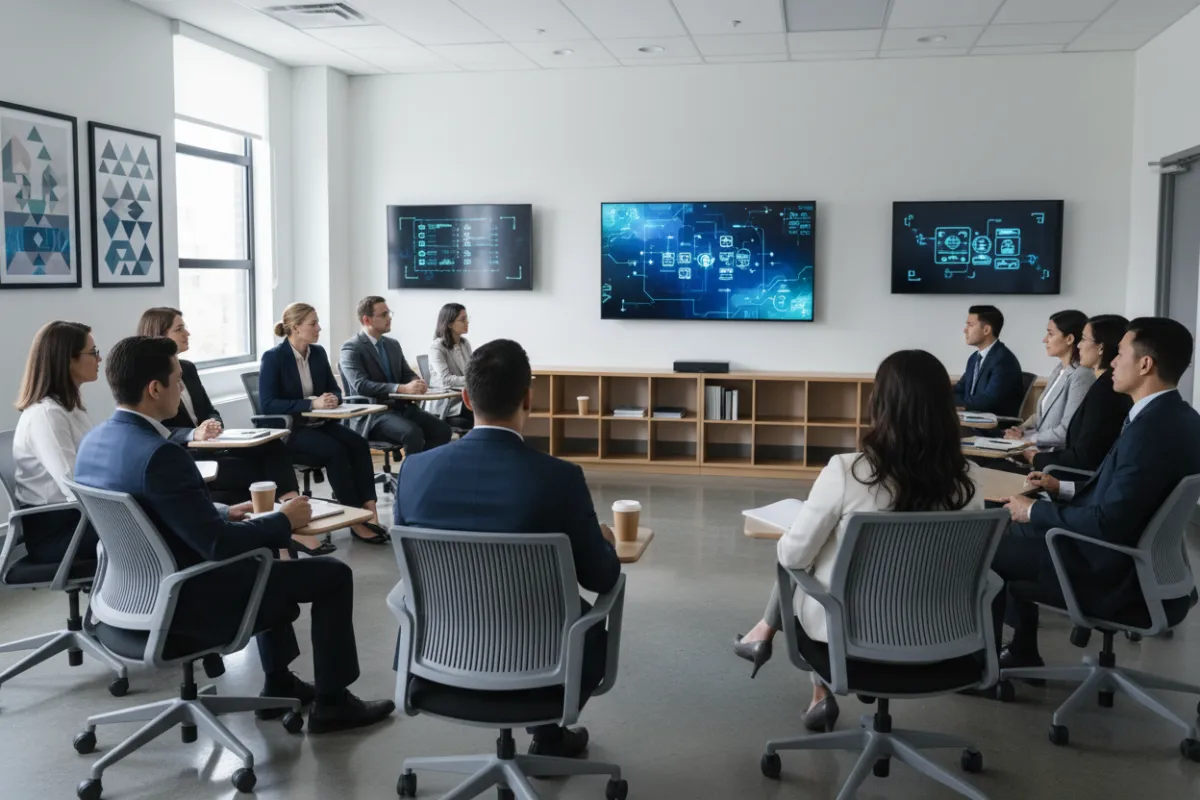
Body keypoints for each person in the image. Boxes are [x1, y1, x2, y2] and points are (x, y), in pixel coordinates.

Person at [74, 336, 394, 732]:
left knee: (266, 553)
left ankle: (279, 680)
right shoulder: (162, 455)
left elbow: (156, 510)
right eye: (177, 379)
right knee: (329, 573)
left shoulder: (94, 443)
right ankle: (333, 704)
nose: (181, 387)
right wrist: (283, 522)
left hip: (127, 599)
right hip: (187, 601)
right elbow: (218, 545)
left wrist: (227, 510)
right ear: (154, 389)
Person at [393, 339, 621, 759]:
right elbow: (602, 578)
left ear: (465, 397)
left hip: (440, 663)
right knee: (586, 623)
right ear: (529, 399)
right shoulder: (560, 478)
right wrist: (604, 543)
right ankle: (548, 736)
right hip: (544, 670)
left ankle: (548, 736)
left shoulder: (414, 471)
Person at [733, 350, 983, 731]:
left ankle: (812, 687)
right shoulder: (973, 481)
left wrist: (799, 530)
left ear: (880, 404)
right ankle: (768, 642)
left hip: (850, 639)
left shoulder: (848, 471)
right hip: (947, 641)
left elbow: (792, 556)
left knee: (810, 560)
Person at [993, 317, 1200, 673]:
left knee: (991, 545)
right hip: (1147, 566)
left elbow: (1109, 522)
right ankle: (1021, 650)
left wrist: (1034, 512)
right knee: (1013, 529)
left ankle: (982, 667)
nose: (1114, 363)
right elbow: (1127, 497)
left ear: (1145, 364)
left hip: (1110, 572)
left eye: (1120, 353)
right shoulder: (1182, 418)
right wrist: (1062, 488)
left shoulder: (1149, 431)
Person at [138, 307, 302, 508]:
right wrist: (193, 434)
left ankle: (294, 505)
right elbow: (153, 429)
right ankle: (282, 515)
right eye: (179, 329)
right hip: (188, 455)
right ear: (159, 335)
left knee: (274, 447)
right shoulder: (150, 381)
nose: (187, 333)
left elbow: (209, 409)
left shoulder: (187, 368)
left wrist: (213, 423)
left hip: (214, 445)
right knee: (255, 470)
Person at [259, 302, 389, 545]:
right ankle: (355, 520)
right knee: (336, 451)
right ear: (296, 328)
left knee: (359, 443)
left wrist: (331, 399)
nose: (319, 328)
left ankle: (370, 511)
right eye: (313, 323)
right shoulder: (274, 358)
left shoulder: (317, 353)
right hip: (291, 430)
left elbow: (334, 390)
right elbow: (267, 404)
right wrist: (310, 404)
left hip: (321, 424)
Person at [11, 321, 101, 564]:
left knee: (161, 522)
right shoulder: (47, 415)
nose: (99, 359)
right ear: (68, 360)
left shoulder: (70, 407)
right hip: (59, 531)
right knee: (157, 533)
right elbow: (74, 486)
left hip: (78, 518)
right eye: (93, 353)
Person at [986, 310, 1095, 475]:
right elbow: (1041, 414)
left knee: (990, 471)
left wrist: (1026, 440)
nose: (1045, 340)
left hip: (1051, 460)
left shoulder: (1082, 376)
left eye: (1050, 334)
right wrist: (1021, 430)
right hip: (1035, 450)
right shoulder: (1060, 369)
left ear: (1070, 339)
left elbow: (1066, 430)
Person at [339, 296, 452, 456]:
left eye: (389, 313)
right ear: (367, 319)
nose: (389, 318)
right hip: (373, 414)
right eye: (383, 315)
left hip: (400, 408)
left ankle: (422, 470)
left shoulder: (392, 345)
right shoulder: (351, 348)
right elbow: (361, 385)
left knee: (442, 430)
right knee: (412, 433)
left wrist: (416, 382)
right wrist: (402, 388)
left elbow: (406, 373)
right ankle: (411, 479)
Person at [1026, 314, 1132, 473]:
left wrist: (1034, 457)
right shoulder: (1102, 385)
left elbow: (1084, 456)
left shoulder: (1104, 391)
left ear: (1101, 347)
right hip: (1061, 465)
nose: (1079, 345)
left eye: (1083, 339)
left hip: (1069, 475)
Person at [953, 305, 1026, 417]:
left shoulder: (1003, 360)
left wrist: (955, 402)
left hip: (994, 427)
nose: (965, 330)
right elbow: (960, 389)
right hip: (973, 419)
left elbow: (988, 402)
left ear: (986, 330)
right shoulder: (974, 358)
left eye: (970, 325)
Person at [427, 302, 474, 430]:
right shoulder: (437, 347)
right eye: (462, 319)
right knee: (487, 411)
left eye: (467, 318)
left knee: (493, 407)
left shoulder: (465, 343)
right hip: (446, 403)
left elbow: (471, 371)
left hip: (463, 398)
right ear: (449, 324)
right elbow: (446, 379)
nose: (467, 322)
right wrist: (474, 380)